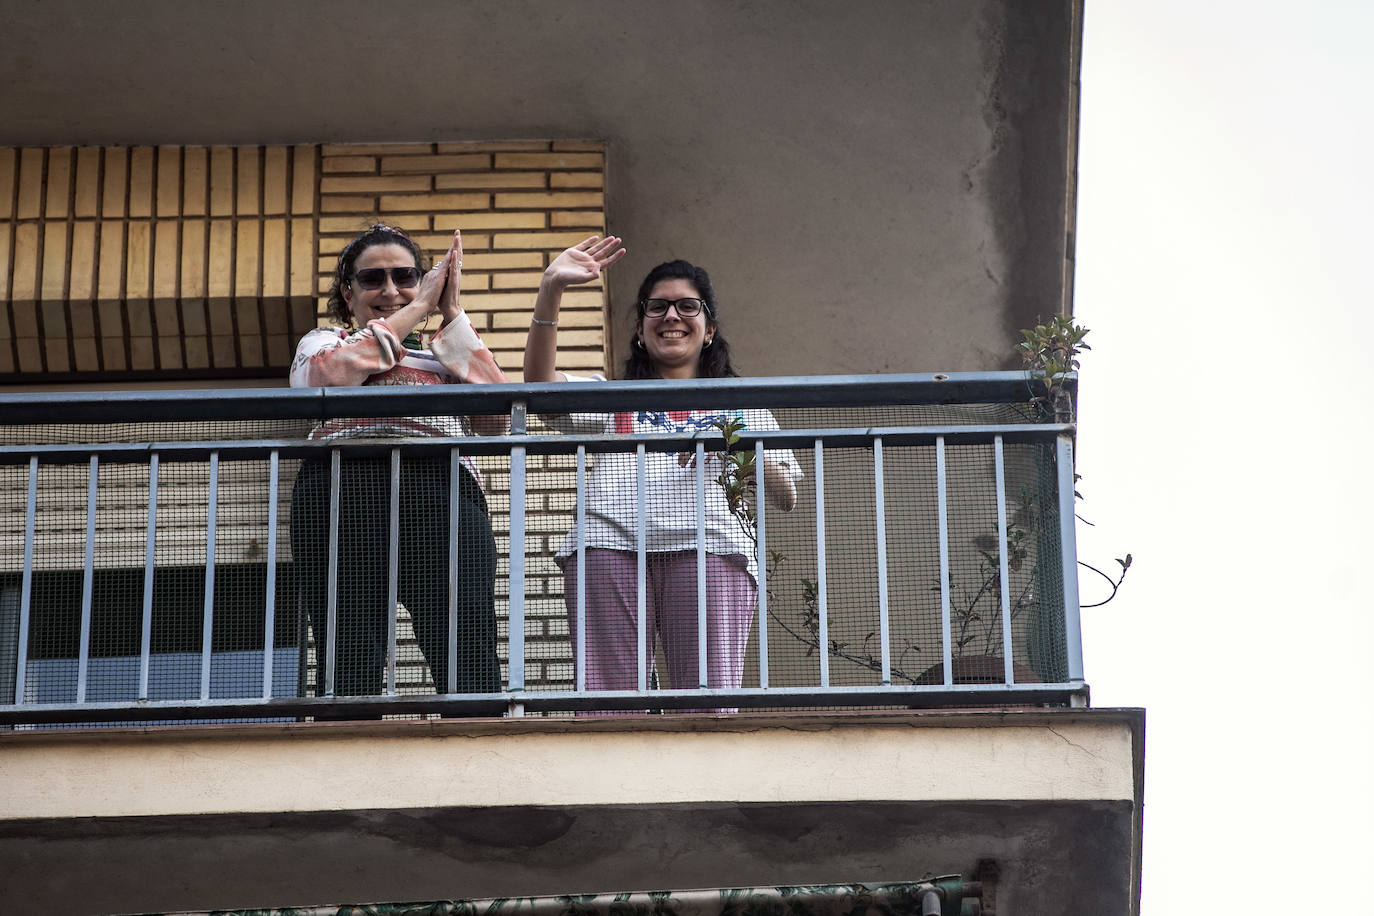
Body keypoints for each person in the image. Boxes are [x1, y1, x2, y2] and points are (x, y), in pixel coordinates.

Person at [523, 238, 801, 712]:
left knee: (708, 708)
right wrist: (551, 288)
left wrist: (731, 445)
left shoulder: (741, 402)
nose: (671, 316)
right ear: (640, 327)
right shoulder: (612, 397)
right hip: (608, 546)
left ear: (709, 328)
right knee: (609, 708)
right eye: (657, 307)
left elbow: (787, 493)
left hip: (708, 547)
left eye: (687, 306)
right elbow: (540, 391)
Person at [289, 224, 505, 703]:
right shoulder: (324, 341)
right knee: (349, 647)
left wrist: (451, 313)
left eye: (405, 277)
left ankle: (484, 758)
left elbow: (497, 421)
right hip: (342, 489)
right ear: (348, 294)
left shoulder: (445, 356)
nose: (390, 290)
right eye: (372, 279)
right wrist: (416, 309)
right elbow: (321, 380)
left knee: (464, 639)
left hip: (440, 493)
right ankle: (350, 753)